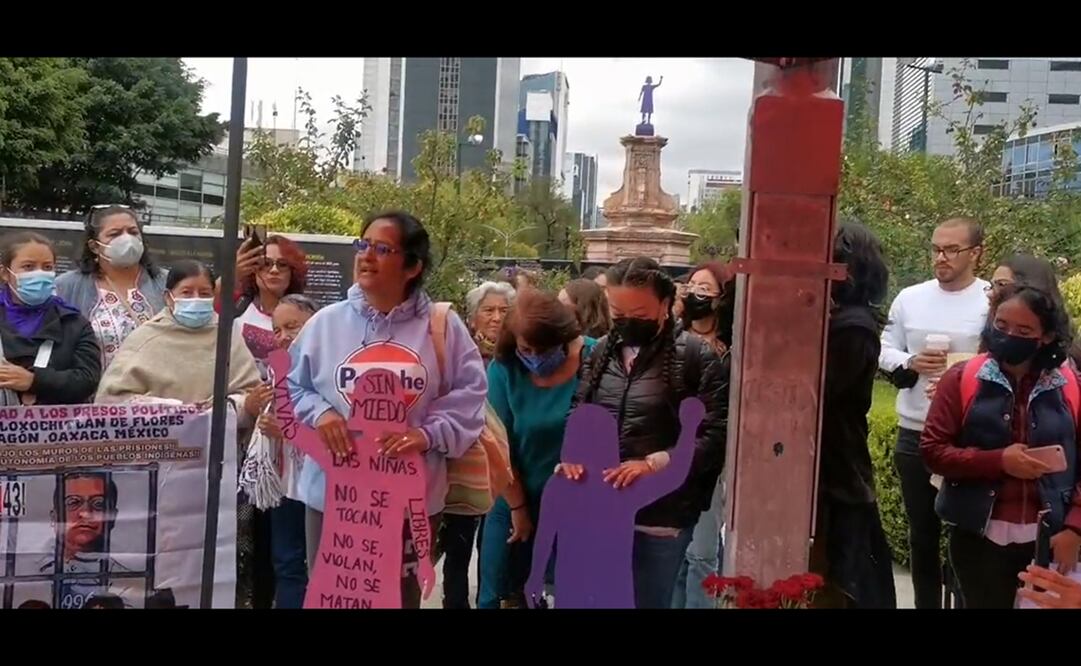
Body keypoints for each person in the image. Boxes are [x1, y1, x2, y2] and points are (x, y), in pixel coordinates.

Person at [287, 211, 487, 609]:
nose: (366, 256)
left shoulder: (443, 328)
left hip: (409, 500)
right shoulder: (325, 324)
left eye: (382, 249)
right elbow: (292, 386)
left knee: (400, 599)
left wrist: (425, 434)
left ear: (412, 266)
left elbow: (471, 396)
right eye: (362, 245)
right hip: (333, 496)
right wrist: (321, 413)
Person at [565, 256, 729, 609]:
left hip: (661, 514)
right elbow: (579, 413)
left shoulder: (696, 357)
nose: (626, 323)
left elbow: (714, 437)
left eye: (638, 314)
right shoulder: (601, 353)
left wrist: (656, 464)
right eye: (618, 313)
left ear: (666, 305)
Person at [921, 283, 1081, 608]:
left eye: (1024, 330)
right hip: (979, 537)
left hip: (1050, 539)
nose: (1009, 336)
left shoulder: (1070, 384)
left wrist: (1076, 528)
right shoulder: (963, 377)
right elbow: (933, 451)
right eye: (1001, 325)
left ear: (1046, 337)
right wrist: (998, 461)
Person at [878, 216, 989, 609]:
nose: (940, 257)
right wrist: (911, 361)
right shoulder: (910, 297)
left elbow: (1000, 359)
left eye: (951, 250)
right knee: (921, 534)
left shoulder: (990, 300)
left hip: (971, 433)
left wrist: (960, 370)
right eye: (935, 249)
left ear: (977, 253)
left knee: (968, 535)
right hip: (915, 431)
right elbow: (883, 345)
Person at [478, 288, 597, 608]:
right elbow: (498, 445)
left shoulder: (595, 359)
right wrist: (519, 509)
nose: (533, 357)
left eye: (542, 349)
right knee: (499, 593)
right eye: (525, 349)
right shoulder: (505, 369)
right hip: (514, 495)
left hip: (578, 503)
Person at [809, 221, 896, 608]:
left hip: (838, 468)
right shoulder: (841, 321)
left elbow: (822, 394)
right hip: (832, 465)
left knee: (846, 575)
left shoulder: (853, 328)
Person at [231, 235, 308, 610]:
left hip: (299, 461)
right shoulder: (236, 314)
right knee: (261, 542)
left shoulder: (319, 326)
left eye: (282, 264)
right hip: (251, 443)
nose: (274, 271)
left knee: (293, 553)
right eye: (265, 264)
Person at [95, 259, 263, 415]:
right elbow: (110, 401)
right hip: (160, 442)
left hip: (218, 443)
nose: (196, 299)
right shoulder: (145, 338)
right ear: (169, 297)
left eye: (204, 293)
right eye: (187, 293)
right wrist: (172, 410)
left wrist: (234, 407)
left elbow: (251, 395)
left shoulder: (227, 335)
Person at [240, 294, 321, 609]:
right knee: (286, 563)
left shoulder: (329, 372)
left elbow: (336, 438)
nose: (284, 336)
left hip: (319, 488)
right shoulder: (277, 370)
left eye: (292, 326)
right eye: (277, 329)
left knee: (319, 565)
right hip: (285, 487)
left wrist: (289, 432)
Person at [670, 261, 734, 608]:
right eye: (692, 286)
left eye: (706, 289)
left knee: (702, 553)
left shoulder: (731, 347)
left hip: (709, 456)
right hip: (671, 449)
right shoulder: (673, 340)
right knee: (675, 553)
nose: (696, 294)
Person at [56, 206, 168, 370]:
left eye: (133, 232)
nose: (127, 239)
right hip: (90, 391)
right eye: (114, 234)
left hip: (154, 391)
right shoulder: (67, 286)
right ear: (94, 246)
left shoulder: (166, 282)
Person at [0, 232, 100, 406]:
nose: (39, 274)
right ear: (5, 273)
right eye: (29, 267)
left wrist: (34, 381)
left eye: (47, 267)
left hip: (56, 429)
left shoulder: (74, 323)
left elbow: (87, 379)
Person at [465, 281, 515, 364]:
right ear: (473, 318)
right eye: (489, 310)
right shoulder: (462, 352)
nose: (497, 318)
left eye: (504, 311)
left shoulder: (521, 351)